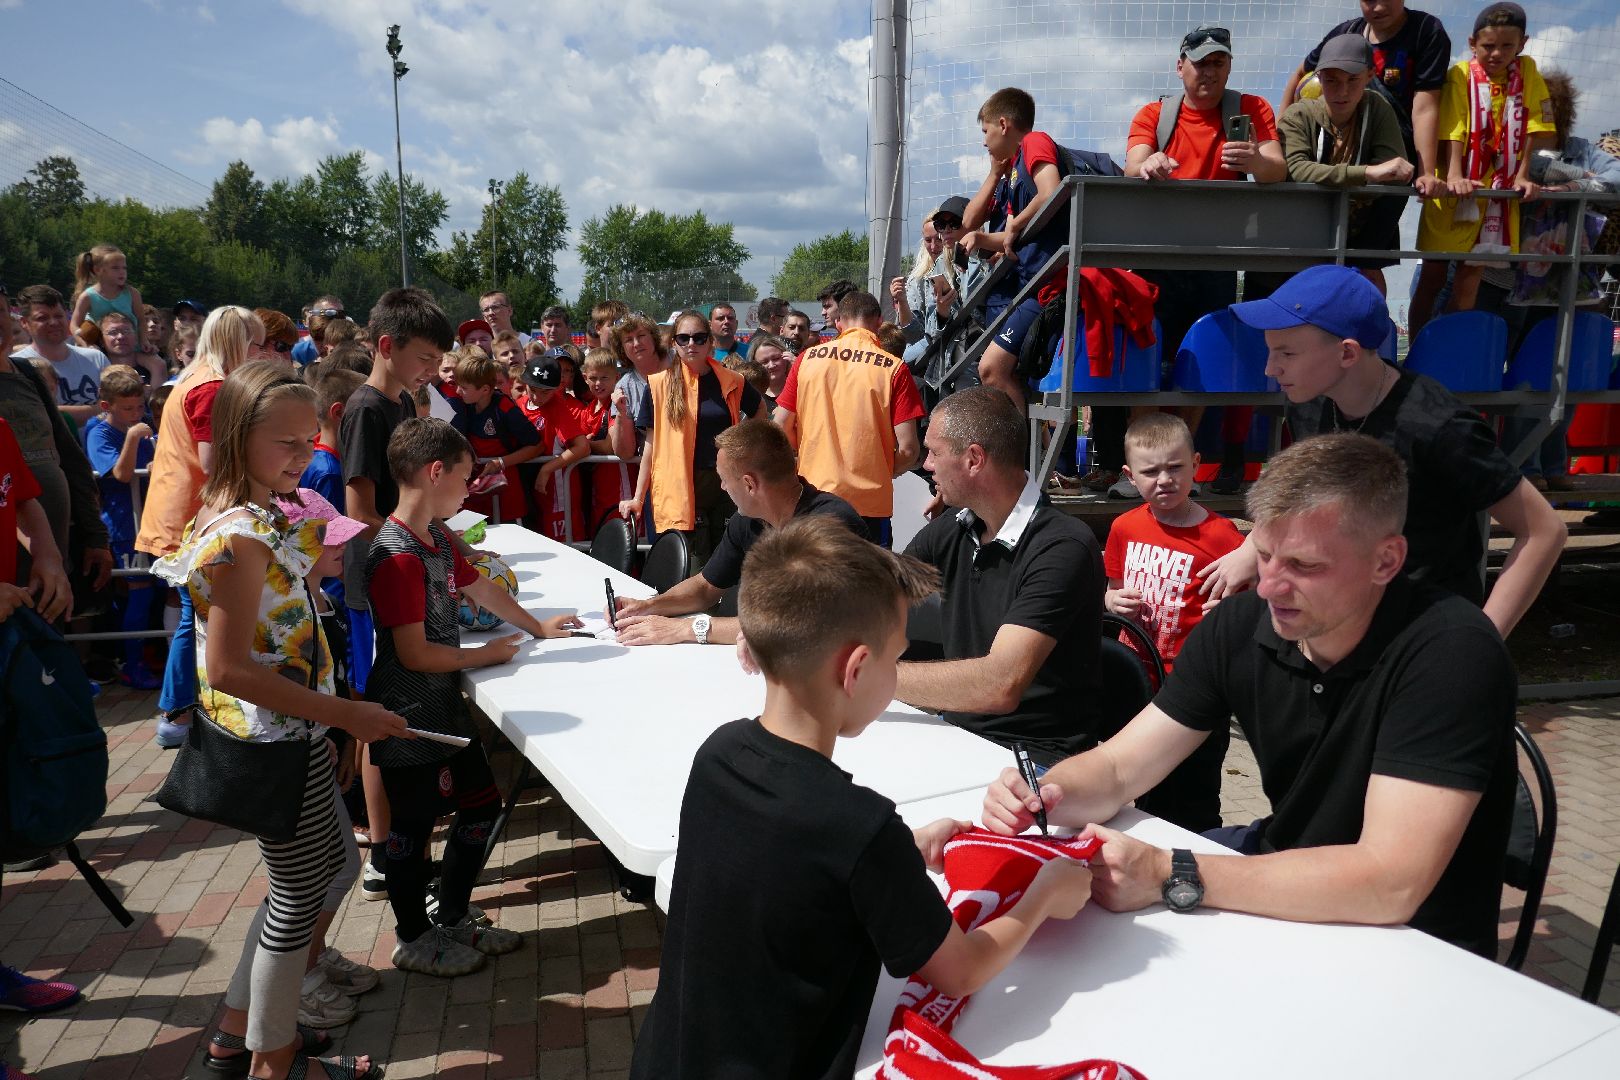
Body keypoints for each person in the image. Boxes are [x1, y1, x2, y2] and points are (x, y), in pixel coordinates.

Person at [984, 433, 1517, 959]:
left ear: (1386, 561)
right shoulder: (1242, 626)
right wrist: (1046, 794)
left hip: (1421, 948)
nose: (1268, 587)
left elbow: (1390, 883)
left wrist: (1172, 872)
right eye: (1263, 555)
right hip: (1281, 890)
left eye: (1304, 567)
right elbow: (1123, 767)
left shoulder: (1452, 652)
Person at [630, 514, 1094, 1078]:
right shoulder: (858, 827)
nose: (898, 674)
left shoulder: (718, 755)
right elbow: (964, 970)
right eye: (897, 658)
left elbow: (779, 866)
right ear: (855, 669)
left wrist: (897, 851)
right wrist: (1046, 893)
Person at [153, 361, 405, 1080]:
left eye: (310, 441)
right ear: (237, 437)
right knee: (298, 898)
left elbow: (278, 624)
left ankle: (241, 1038)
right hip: (268, 741)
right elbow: (229, 668)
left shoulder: (264, 513)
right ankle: (273, 1060)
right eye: (286, 442)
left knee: (328, 872)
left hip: (293, 733)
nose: (305, 456)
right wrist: (344, 714)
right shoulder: (240, 535)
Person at [1203, 263, 1565, 638]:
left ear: (1347, 354)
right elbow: (1308, 490)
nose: (1270, 369)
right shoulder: (1309, 399)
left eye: (1286, 354)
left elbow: (1544, 530)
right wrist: (1254, 547)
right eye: (1269, 352)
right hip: (1342, 623)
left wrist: (1483, 641)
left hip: (1422, 632)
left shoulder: (1440, 426)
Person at [364, 417, 580, 976]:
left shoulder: (433, 537)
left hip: (441, 703)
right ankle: (412, 935)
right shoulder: (395, 555)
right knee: (413, 828)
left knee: (481, 806)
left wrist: (537, 628)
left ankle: (453, 913)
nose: (468, 493)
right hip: (407, 713)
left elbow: (477, 585)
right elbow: (413, 654)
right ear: (435, 473)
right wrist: (488, 654)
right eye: (464, 480)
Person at [1092, 26, 1288, 498]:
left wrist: (1253, 162)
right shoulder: (1155, 114)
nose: (1210, 71)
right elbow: (1133, 161)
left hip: (1217, 259)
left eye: (1219, 62)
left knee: (1199, 368)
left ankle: (1180, 473)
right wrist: (1149, 165)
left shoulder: (1253, 109)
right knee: (1146, 368)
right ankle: (1139, 472)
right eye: (1201, 62)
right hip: (1155, 261)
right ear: (1180, 66)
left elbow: (1277, 168)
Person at [896, 387, 1104, 765]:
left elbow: (999, 684)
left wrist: (867, 678)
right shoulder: (956, 528)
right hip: (961, 738)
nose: (926, 464)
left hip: (1035, 761)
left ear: (974, 459)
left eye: (934, 452)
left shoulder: (1063, 547)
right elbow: (873, 589)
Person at [1102, 412, 1244, 832]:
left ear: (1196, 465)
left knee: (1196, 789)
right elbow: (1112, 588)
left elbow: (1245, 604)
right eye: (1150, 471)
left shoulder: (1223, 537)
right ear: (1130, 475)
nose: (1164, 479)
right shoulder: (1124, 527)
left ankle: (1203, 853)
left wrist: (1232, 612)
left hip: (1196, 684)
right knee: (1142, 785)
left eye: (1175, 467)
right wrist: (1110, 600)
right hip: (1138, 679)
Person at [138, 306, 269, 748]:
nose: (261, 352)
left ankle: (178, 711)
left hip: (184, 512)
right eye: (255, 343)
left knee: (193, 616)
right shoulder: (211, 387)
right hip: (191, 517)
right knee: (193, 616)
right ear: (236, 342)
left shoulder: (193, 378)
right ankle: (176, 712)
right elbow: (214, 463)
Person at [614, 418, 866, 646]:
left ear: (749, 484)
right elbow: (705, 587)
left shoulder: (832, 524)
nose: (722, 487)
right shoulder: (747, 521)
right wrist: (648, 607)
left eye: (724, 479)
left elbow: (795, 623)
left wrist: (684, 628)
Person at [1484, 70, 1620, 490]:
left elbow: (1615, 179)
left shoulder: (1580, 151)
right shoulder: (1509, 148)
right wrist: (1566, 179)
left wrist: (1564, 182)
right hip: (1512, 280)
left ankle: (1551, 466)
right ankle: (1523, 470)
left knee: (1561, 372)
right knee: (1520, 377)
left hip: (1565, 282)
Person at [1408, 1, 1555, 338]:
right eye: (1488, 46)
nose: (1497, 53)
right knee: (1433, 274)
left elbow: (1534, 124)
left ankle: (1447, 346)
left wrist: (1523, 176)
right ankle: (1417, 350)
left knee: (1470, 278)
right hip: (1454, 188)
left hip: (1497, 193)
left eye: (1507, 45)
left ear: (1523, 43)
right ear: (1473, 44)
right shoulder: (1459, 74)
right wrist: (1455, 175)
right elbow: (1455, 124)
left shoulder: (1527, 72)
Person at [339, 286, 456, 699]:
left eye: (439, 361)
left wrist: (455, 548)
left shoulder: (404, 402)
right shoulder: (365, 410)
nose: (433, 369)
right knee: (373, 695)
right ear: (387, 345)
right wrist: (430, 549)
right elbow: (358, 515)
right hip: (374, 576)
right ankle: (358, 764)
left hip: (403, 568)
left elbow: (416, 503)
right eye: (426, 359)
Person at [772, 290, 924, 547]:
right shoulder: (894, 368)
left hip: (813, 497)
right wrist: (882, 469)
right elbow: (909, 449)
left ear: (840, 322)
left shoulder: (806, 360)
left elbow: (780, 426)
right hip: (869, 507)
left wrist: (806, 456)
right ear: (878, 323)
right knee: (869, 584)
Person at [619, 311, 766, 565]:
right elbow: (650, 446)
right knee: (694, 568)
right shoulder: (658, 385)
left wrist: (744, 448)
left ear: (710, 341)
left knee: (730, 566)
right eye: (684, 338)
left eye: (698, 338)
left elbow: (759, 412)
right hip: (681, 488)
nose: (691, 344)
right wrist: (638, 498)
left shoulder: (733, 381)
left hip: (725, 484)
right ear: (674, 343)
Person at [1278, 34, 1416, 293]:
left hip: (1360, 231)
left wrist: (1376, 174)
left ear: (1370, 75)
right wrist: (1367, 173)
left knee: (1368, 280)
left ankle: (1367, 271)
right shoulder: (1299, 114)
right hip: (1305, 231)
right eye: (1332, 80)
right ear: (1319, 77)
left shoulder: (1377, 107)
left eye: (1353, 80)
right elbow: (1298, 169)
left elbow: (1395, 168)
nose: (1342, 91)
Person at [954, 88, 1064, 411]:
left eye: (985, 131)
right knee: (1005, 374)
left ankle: (1021, 457)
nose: (983, 141)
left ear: (1003, 124)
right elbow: (969, 222)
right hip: (1031, 284)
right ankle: (1030, 454)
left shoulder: (1034, 141)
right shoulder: (1010, 171)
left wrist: (1015, 225)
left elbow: (1052, 190)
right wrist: (994, 174)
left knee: (992, 368)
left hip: (1048, 285)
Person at [1283, 0, 1451, 201]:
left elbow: (1425, 107)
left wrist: (1426, 173)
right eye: (1370, 0)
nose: (1379, 7)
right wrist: (1278, 138)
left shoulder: (1426, 31)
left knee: (1378, 226)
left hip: (1395, 159)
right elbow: (1301, 74)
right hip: (1339, 161)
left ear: (1369, 75)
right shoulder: (1345, 35)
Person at [85, 366, 160, 689]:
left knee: (154, 593)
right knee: (138, 595)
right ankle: (132, 662)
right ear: (107, 406)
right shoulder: (100, 433)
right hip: (123, 525)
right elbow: (121, 474)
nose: (136, 414)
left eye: (139, 406)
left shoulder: (143, 428)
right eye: (128, 408)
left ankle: (145, 654)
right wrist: (131, 437)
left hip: (149, 520)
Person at [448, 348, 543, 524]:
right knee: (470, 538)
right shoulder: (464, 405)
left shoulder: (505, 408)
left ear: (485, 389)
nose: (458, 392)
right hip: (473, 486)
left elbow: (537, 446)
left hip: (506, 487)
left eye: (464, 387)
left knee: (509, 539)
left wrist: (500, 462)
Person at [516, 353, 594, 541]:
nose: (537, 397)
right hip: (530, 490)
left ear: (557, 388)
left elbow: (583, 447)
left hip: (559, 489)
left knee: (565, 546)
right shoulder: (519, 404)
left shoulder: (557, 406)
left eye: (545, 392)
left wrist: (546, 469)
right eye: (532, 389)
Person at [14, 284, 110, 425]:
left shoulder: (96, 359)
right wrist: (99, 409)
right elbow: (32, 415)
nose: (53, 322)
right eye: (42, 318)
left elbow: (120, 406)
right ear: (24, 322)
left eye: (58, 316)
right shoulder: (17, 366)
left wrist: (53, 410)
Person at [578, 348, 637, 530]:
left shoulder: (616, 404)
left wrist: (587, 443)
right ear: (585, 377)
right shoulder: (587, 410)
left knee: (625, 536)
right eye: (594, 378)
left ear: (616, 377)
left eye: (605, 378)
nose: (598, 383)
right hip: (599, 486)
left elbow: (610, 446)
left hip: (621, 482)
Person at [69, 244, 149, 355]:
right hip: (101, 351)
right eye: (115, 268)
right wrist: (85, 344)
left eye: (124, 268)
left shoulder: (132, 293)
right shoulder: (88, 296)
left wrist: (144, 340)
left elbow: (141, 320)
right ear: (98, 270)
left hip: (130, 348)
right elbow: (74, 325)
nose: (122, 272)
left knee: (158, 363)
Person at [99, 311, 166, 388]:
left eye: (126, 331)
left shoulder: (155, 367)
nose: (121, 337)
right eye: (113, 332)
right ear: (101, 341)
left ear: (136, 337)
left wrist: (158, 368)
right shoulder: (95, 371)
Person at [292, 296, 345, 367]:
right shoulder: (297, 352)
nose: (336, 320)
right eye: (329, 314)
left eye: (341, 315)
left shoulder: (352, 350)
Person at [743, 332, 792, 405]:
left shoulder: (798, 389)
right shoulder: (751, 396)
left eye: (776, 358)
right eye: (764, 362)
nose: (771, 365)